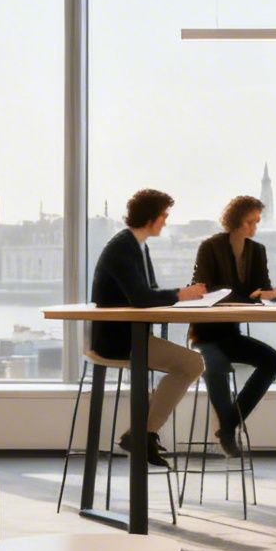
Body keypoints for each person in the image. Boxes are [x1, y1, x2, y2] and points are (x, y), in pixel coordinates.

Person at [90, 188, 208, 469]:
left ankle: (141, 434)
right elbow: (142, 298)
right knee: (192, 363)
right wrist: (182, 295)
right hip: (119, 340)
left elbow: (149, 291)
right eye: (164, 216)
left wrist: (184, 296)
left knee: (190, 363)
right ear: (151, 217)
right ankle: (143, 434)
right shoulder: (123, 247)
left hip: (130, 334)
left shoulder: (137, 245)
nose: (166, 221)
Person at [189, 195, 276, 457]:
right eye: (249, 222)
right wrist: (247, 297)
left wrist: (270, 293)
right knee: (214, 366)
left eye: (256, 222)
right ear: (235, 221)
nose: (254, 227)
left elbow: (260, 288)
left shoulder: (257, 251)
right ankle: (229, 431)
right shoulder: (210, 247)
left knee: (272, 360)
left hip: (231, 333)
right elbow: (202, 287)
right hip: (205, 334)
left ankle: (229, 425)